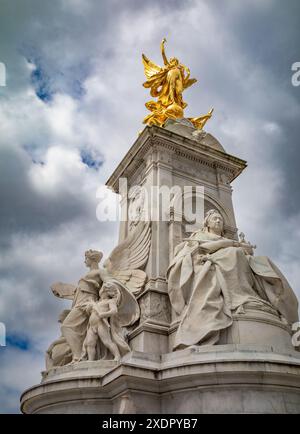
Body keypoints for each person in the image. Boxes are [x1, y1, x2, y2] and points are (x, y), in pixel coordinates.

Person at [167, 209, 299, 350]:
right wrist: (231, 245)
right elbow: (200, 248)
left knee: (263, 261)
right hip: (211, 259)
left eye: (220, 219)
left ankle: (272, 303)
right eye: (215, 219)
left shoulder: (229, 240)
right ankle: (241, 298)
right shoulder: (200, 235)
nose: (218, 221)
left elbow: (244, 252)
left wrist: (245, 249)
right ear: (207, 223)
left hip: (230, 259)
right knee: (234, 253)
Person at [80, 281, 132, 362]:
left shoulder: (110, 301)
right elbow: (90, 312)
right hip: (92, 325)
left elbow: (114, 311)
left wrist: (103, 314)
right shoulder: (98, 302)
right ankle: (90, 360)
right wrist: (90, 308)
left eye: (103, 290)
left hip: (101, 324)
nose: (101, 292)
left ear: (107, 292)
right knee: (89, 343)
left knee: (107, 342)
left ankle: (117, 356)